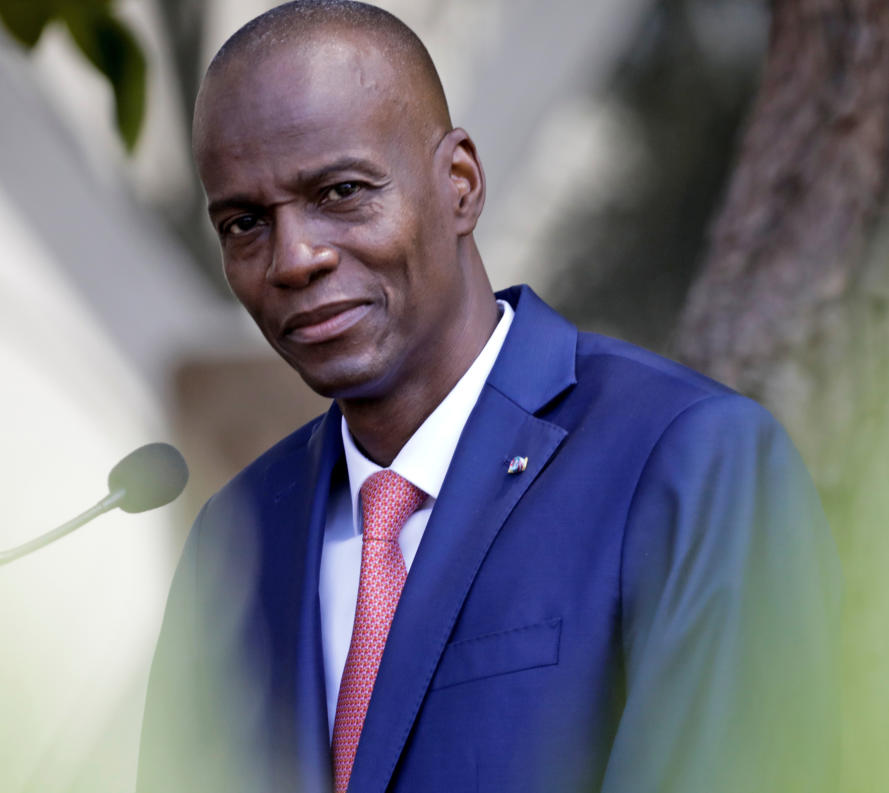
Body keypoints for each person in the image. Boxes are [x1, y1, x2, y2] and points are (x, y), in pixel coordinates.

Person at [139, 2, 839, 792]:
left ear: (460, 184)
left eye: (339, 191)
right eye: (242, 223)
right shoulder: (236, 535)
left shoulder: (687, 461)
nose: (293, 257)